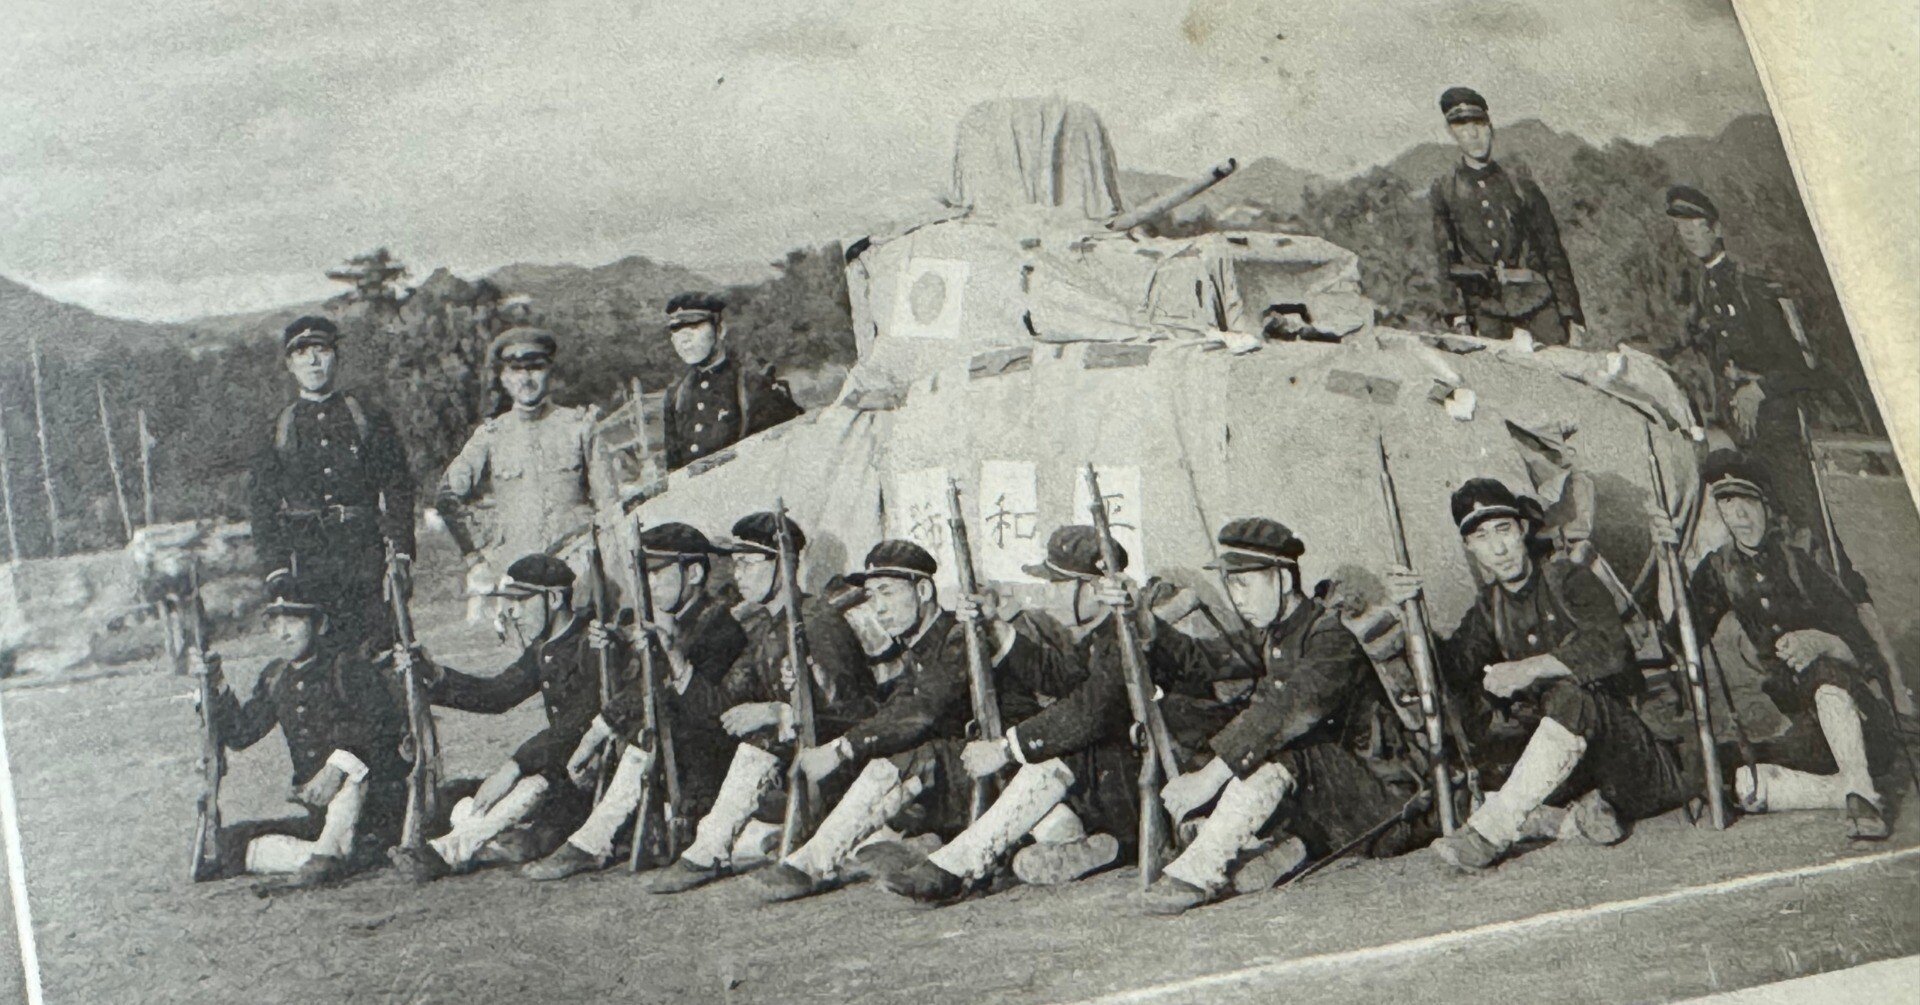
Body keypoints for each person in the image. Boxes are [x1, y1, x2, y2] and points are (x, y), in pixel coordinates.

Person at [876, 524, 1234, 906]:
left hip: (1145, 783)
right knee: (1046, 760)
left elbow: (1087, 712)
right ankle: (1069, 848)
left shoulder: (1122, 637)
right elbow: (1059, 676)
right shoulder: (1100, 636)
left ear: (1094, 588)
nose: (1051, 594)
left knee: (1047, 758)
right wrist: (995, 627)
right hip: (1109, 778)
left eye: (1060, 583)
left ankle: (956, 867)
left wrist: (1006, 748)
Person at [1387, 479, 1689, 872]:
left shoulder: (1567, 580)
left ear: (1522, 530)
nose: (1498, 548)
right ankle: (1577, 818)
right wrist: (1410, 616)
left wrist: (1528, 668)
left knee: (1573, 699)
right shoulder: (1489, 609)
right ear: (1470, 547)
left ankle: (1491, 833)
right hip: (1576, 777)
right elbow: (1448, 672)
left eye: (1504, 531)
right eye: (1482, 537)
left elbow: (1609, 649)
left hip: (1635, 757)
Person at [1142, 518, 1421, 915]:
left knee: (1278, 746)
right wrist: (1145, 626)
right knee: (1185, 712)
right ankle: (1283, 847)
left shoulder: (1331, 636)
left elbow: (1291, 707)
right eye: (1230, 584)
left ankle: (1198, 871)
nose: (1236, 597)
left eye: (1244, 583)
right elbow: (1203, 660)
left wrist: (1208, 779)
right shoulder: (1272, 633)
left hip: (1377, 805)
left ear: (1283, 581)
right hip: (1320, 802)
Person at [1652, 451, 1899, 840]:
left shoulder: (1801, 559)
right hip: (1805, 731)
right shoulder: (1720, 570)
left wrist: (1824, 641)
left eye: (1748, 503)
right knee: (1740, 782)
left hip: (1859, 723)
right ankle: (1855, 790)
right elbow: (1680, 641)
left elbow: (1865, 650)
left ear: (1766, 503)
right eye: (1728, 505)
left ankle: (1861, 792)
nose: (1741, 517)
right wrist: (1667, 560)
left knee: (1823, 672)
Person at [751, 540, 995, 902]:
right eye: (871, 596)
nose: (878, 608)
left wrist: (842, 748)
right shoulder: (918, 645)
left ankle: (812, 864)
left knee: (894, 757)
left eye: (887, 593)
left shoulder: (958, 638)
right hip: (948, 779)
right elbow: (886, 710)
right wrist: (821, 685)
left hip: (988, 773)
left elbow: (920, 712)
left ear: (924, 590)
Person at [1663, 186, 1864, 595]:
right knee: (1762, 522)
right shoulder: (1704, 288)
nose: (1688, 235)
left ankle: (1849, 607)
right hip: (1740, 426)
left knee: (1806, 522)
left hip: (1776, 421)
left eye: (1695, 226)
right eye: (1681, 227)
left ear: (1716, 228)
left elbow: (1806, 367)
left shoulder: (1750, 284)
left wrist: (1760, 388)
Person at [519, 523, 749, 878]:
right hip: (672, 752)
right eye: (645, 573)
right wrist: (614, 650)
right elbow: (635, 686)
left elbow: (701, 709)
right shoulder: (673, 622)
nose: (650, 584)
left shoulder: (719, 626)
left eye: (657, 573)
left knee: (645, 735)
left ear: (694, 572)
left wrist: (670, 656)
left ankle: (592, 843)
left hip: (707, 759)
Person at [387, 555, 612, 881]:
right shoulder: (545, 647)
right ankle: (497, 842)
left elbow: (579, 721)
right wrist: (434, 674)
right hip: (558, 765)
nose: (510, 611)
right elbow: (497, 695)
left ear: (553, 598)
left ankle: (446, 853)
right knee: (471, 800)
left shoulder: (591, 645)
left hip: (589, 770)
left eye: (520, 601)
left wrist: (514, 766)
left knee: (526, 788)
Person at [189, 577, 409, 890]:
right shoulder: (277, 677)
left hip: (370, 802)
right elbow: (241, 733)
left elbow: (382, 728)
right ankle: (327, 855)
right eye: (274, 623)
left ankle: (333, 852)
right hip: (321, 812)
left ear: (319, 624)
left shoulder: (348, 667)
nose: (282, 633)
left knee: (353, 792)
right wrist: (216, 685)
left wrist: (338, 766)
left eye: (292, 621)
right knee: (232, 844)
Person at [246, 315, 415, 647]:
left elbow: (397, 486)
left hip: (365, 555)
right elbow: (262, 504)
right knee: (321, 656)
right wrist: (276, 568)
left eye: (321, 349)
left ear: (336, 356)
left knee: (380, 649)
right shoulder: (279, 427)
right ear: (289, 364)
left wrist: (402, 551)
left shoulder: (367, 416)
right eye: (301, 352)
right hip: (307, 561)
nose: (312, 360)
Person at [435, 327, 618, 593]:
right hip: (518, 572)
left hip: (579, 569)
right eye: (516, 370)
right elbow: (447, 496)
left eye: (535, 368)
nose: (526, 378)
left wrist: (607, 558)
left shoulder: (579, 426)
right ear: (504, 377)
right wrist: (476, 557)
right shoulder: (492, 435)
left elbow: (609, 504)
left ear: (550, 371)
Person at [1429, 87, 1585, 346]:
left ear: (1490, 126)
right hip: (1486, 311)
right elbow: (1444, 258)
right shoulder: (1445, 190)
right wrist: (1457, 316)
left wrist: (1571, 314)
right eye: (1461, 126)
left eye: (1479, 123)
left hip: (1537, 304)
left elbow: (1552, 251)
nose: (1472, 134)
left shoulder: (1520, 184)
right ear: (1450, 132)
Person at [659, 293, 803, 471]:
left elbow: (784, 453)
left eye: (694, 325)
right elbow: (674, 469)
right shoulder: (675, 396)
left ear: (720, 330)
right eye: (676, 329)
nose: (684, 338)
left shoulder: (752, 384)